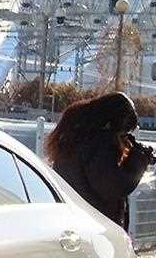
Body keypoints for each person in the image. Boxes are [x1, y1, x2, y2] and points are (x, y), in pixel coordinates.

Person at [45, 91, 154, 229]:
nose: (123, 140)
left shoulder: (75, 135)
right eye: (122, 133)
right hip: (96, 227)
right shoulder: (100, 143)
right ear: (113, 124)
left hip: (73, 220)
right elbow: (114, 186)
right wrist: (139, 159)